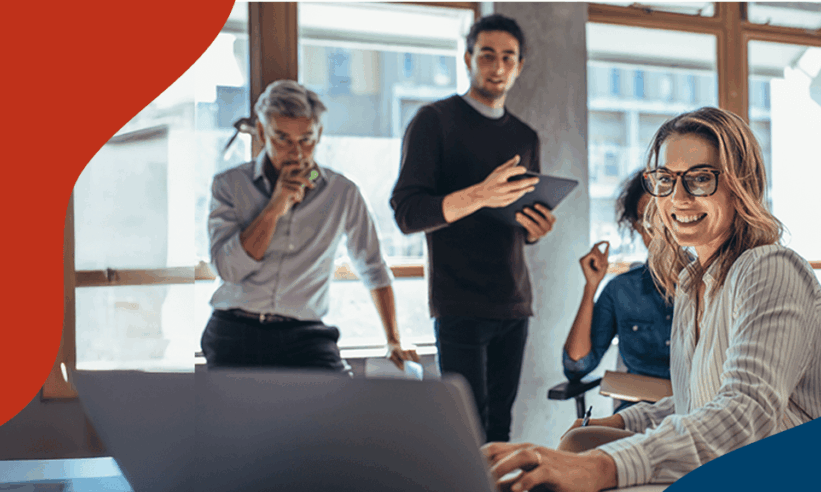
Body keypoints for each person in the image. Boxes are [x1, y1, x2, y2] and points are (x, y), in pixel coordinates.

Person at [482, 107, 821, 492]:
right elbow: (695, 404)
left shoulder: (770, 268)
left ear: (742, 185)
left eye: (701, 179)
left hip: (799, 489)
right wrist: (623, 424)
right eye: (665, 180)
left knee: (591, 468)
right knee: (575, 447)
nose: (678, 198)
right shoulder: (692, 282)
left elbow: (744, 413)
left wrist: (604, 466)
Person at [389, 14, 556, 442]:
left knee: (500, 429)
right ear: (467, 58)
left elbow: (519, 221)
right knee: (467, 431)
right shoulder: (434, 121)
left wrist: (536, 226)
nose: (497, 66)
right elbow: (407, 213)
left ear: (519, 66)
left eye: (507, 58)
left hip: (514, 300)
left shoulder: (525, 136)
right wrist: (480, 193)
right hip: (458, 302)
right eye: (487, 55)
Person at [201, 80, 418, 373]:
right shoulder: (229, 185)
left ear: (319, 135)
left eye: (306, 139)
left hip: (305, 334)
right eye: (282, 139)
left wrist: (394, 340)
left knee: (338, 409)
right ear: (263, 133)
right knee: (237, 418)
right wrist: (273, 209)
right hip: (235, 328)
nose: (297, 153)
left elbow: (373, 267)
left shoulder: (343, 192)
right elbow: (229, 270)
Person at [562, 172, 674, 412]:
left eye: (664, 218)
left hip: (697, 415)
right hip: (636, 414)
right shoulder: (621, 290)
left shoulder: (713, 285)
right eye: (646, 221)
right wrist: (590, 286)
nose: (656, 231)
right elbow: (577, 365)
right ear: (635, 226)